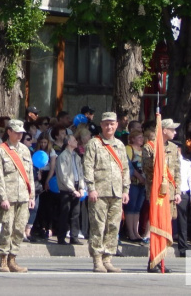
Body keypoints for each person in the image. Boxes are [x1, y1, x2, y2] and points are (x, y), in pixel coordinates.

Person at [83, 111, 130, 273]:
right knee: (98, 226)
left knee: (113, 226)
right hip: (99, 192)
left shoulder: (120, 145)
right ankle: (97, 259)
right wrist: (91, 188)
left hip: (116, 192)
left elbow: (125, 168)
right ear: (101, 125)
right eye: (106, 124)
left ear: (116, 125)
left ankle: (108, 258)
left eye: (112, 124)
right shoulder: (94, 144)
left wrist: (125, 190)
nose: (109, 126)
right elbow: (88, 167)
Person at [0, 119, 35, 273]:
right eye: (16, 132)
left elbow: (30, 174)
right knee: (7, 228)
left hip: (23, 196)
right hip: (9, 197)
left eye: (21, 133)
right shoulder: (2, 151)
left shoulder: (25, 150)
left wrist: (31, 196)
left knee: (19, 229)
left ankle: (13, 259)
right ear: (9, 131)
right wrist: (3, 197)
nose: (19, 135)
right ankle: (3, 260)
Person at [142, 118, 181, 272]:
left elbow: (177, 172)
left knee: (166, 227)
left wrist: (177, 191)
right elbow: (149, 171)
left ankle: (160, 259)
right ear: (164, 130)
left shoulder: (173, 147)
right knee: (156, 226)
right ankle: (153, 260)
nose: (175, 132)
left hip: (170, 194)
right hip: (158, 194)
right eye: (172, 129)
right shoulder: (149, 148)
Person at [55, 132, 84, 245]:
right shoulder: (63, 156)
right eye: (74, 140)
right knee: (64, 213)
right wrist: (73, 190)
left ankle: (74, 236)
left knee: (75, 213)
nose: (76, 142)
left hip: (76, 187)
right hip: (66, 189)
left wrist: (81, 187)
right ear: (69, 142)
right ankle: (61, 237)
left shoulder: (76, 156)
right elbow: (64, 176)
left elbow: (80, 173)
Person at [124, 129, 146, 243]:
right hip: (133, 182)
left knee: (137, 208)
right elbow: (129, 166)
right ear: (132, 139)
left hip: (143, 183)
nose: (141, 139)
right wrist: (139, 177)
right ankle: (130, 232)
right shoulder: (129, 149)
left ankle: (136, 231)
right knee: (130, 207)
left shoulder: (143, 150)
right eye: (139, 137)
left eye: (142, 137)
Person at [176, 145, 191, 257]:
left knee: (182, 221)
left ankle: (183, 247)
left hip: (183, 194)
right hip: (169, 193)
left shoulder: (187, 163)